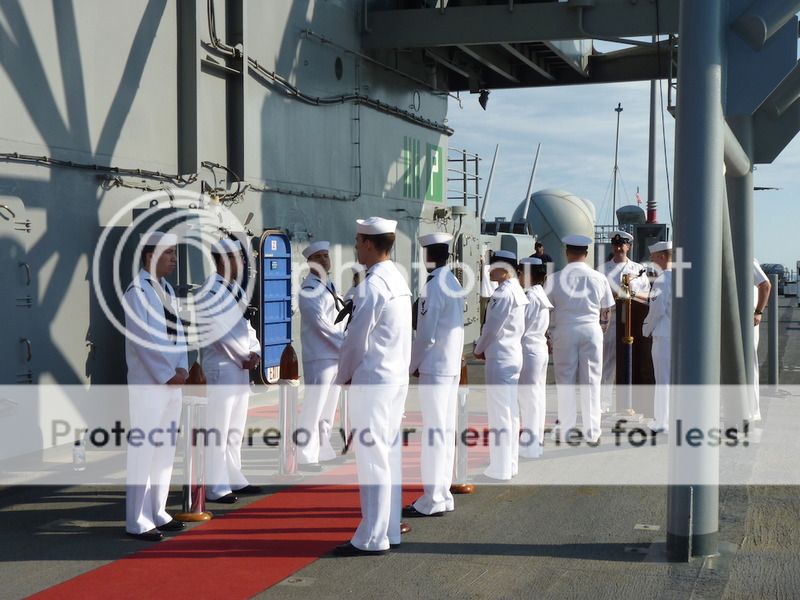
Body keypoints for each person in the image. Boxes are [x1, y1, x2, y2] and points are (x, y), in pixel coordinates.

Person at [334, 217, 412, 556]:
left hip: (374, 381)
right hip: (394, 380)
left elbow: (355, 341)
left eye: (357, 240)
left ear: (368, 243)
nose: (355, 246)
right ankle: (389, 528)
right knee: (388, 457)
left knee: (373, 460)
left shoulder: (372, 285)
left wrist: (343, 377)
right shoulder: (397, 278)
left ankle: (372, 537)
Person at [122, 231, 188, 541]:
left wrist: (183, 367)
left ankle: (157, 510)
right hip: (150, 384)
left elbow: (179, 334)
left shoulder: (168, 292)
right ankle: (137, 519)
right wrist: (167, 373)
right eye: (169, 253)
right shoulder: (137, 292)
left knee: (165, 450)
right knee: (144, 450)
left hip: (171, 382)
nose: (175, 259)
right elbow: (144, 341)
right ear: (151, 256)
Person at [404, 232, 464, 517]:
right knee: (445, 430)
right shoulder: (452, 281)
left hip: (435, 368)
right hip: (449, 366)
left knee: (433, 433)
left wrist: (411, 365)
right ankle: (443, 494)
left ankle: (432, 499)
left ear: (427, 256)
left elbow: (425, 336)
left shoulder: (432, 285)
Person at [199, 238, 261, 504]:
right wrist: (243, 356)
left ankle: (234, 475)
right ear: (223, 259)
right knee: (218, 429)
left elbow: (246, 327)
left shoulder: (233, 290)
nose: (243, 263)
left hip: (239, 367)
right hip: (222, 368)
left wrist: (255, 351)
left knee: (235, 429)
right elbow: (219, 334)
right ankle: (215, 485)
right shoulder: (210, 292)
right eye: (238, 257)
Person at [548, 234, 614, 444]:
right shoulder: (599, 277)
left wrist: (549, 334)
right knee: (592, 381)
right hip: (591, 329)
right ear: (586, 253)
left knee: (565, 381)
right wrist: (602, 328)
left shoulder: (554, 278)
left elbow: (547, 310)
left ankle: (566, 428)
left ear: (567, 252)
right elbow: (607, 310)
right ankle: (592, 431)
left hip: (564, 330)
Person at [473, 250, 528, 480]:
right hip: (513, 353)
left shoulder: (503, 293)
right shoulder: (516, 289)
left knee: (500, 414)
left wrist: (478, 349)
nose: (489, 270)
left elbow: (491, 328)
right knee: (511, 412)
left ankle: (500, 468)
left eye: (493, 267)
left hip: (500, 357)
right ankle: (510, 463)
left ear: (504, 269)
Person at [297, 240, 345, 470]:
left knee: (328, 406)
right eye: (320, 257)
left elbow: (339, 315)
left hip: (334, 354)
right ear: (310, 262)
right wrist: (343, 342)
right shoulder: (309, 288)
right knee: (314, 406)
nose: (325, 260)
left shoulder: (330, 285)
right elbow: (319, 323)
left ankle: (323, 448)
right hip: (319, 355)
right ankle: (305, 454)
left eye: (326, 255)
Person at [597, 230, 650, 412]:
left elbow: (647, 295)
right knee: (607, 362)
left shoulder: (638, 270)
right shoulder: (603, 270)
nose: (619, 248)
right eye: (616, 245)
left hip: (632, 321)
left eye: (622, 245)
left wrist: (631, 295)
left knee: (632, 361)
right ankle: (603, 404)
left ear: (629, 246)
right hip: (611, 319)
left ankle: (631, 403)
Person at [517, 257, 553, 458]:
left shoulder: (529, 296)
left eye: (521, 273)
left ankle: (530, 445)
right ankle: (535, 441)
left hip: (528, 350)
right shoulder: (539, 294)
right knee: (537, 398)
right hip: (538, 348)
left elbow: (520, 327)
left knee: (528, 400)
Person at [642, 241, 672, 433]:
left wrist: (645, 329)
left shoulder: (662, 280)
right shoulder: (684, 277)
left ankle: (662, 422)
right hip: (681, 337)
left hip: (663, 335)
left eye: (653, 257)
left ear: (661, 256)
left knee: (663, 380)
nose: (651, 261)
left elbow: (656, 310)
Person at [752, 260, 771, 422]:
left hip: (747, 322)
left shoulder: (746, 259)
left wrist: (758, 312)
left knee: (748, 365)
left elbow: (765, 285)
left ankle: (752, 411)